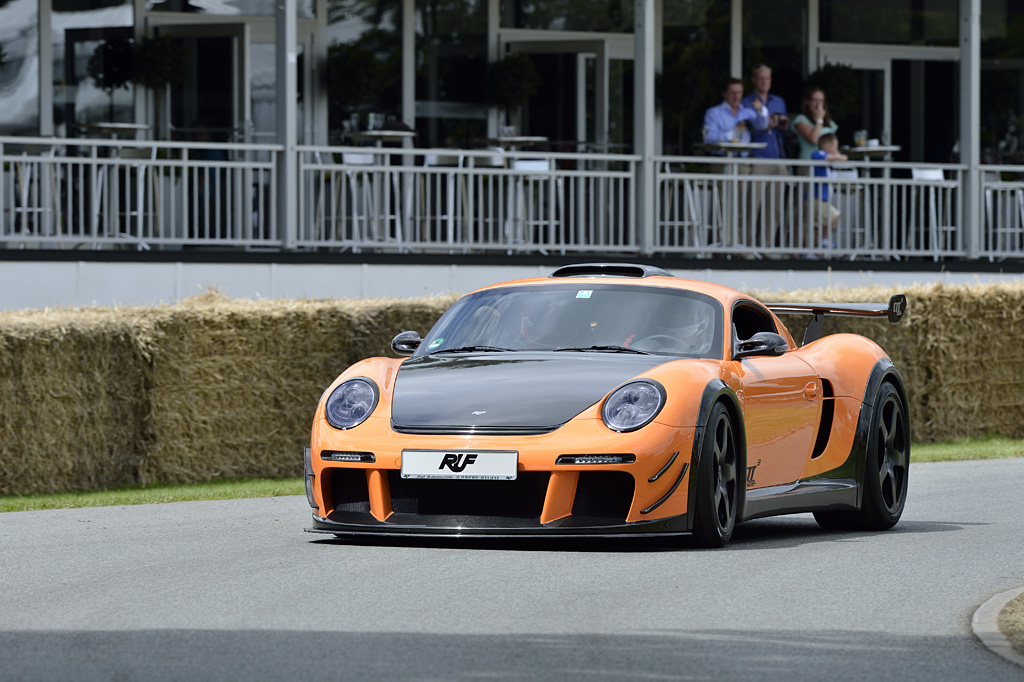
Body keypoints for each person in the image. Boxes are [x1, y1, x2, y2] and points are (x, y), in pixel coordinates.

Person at [702, 77, 768, 248]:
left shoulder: (746, 111)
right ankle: (721, 246)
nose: (736, 96)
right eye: (732, 92)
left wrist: (761, 111)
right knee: (724, 204)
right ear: (724, 93)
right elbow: (709, 138)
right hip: (722, 161)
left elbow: (763, 124)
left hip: (742, 163)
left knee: (740, 205)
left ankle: (737, 245)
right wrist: (733, 133)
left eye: (739, 92)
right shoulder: (714, 112)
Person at [741, 64, 791, 247]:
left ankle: (767, 247)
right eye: (761, 79)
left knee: (775, 208)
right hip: (758, 158)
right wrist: (764, 123)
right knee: (752, 207)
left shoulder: (778, 101)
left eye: (767, 79)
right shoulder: (746, 102)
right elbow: (747, 128)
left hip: (777, 157)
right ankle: (747, 248)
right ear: (754, 80)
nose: (764, 82)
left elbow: (785, 129)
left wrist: (783, 124)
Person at [804, 132, 847, 253]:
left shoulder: (828, 163)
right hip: (815, 197)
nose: (836, 150)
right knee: (834, 215)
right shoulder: (818, 154)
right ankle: (823, 240)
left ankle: (816, 251)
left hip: (822, 198)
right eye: (835, 147)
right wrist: (840, 156)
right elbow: (834, 158)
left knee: (817, 225)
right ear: (828, 147)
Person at [791, 87, 839, 168]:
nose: (818, 104)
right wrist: (819, 120)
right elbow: (814, 140)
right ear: (807, 102)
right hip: (808, 165)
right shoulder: (801, 119)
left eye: (821, 100)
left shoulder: (830, 123)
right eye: (814, 100)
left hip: (827, 165)